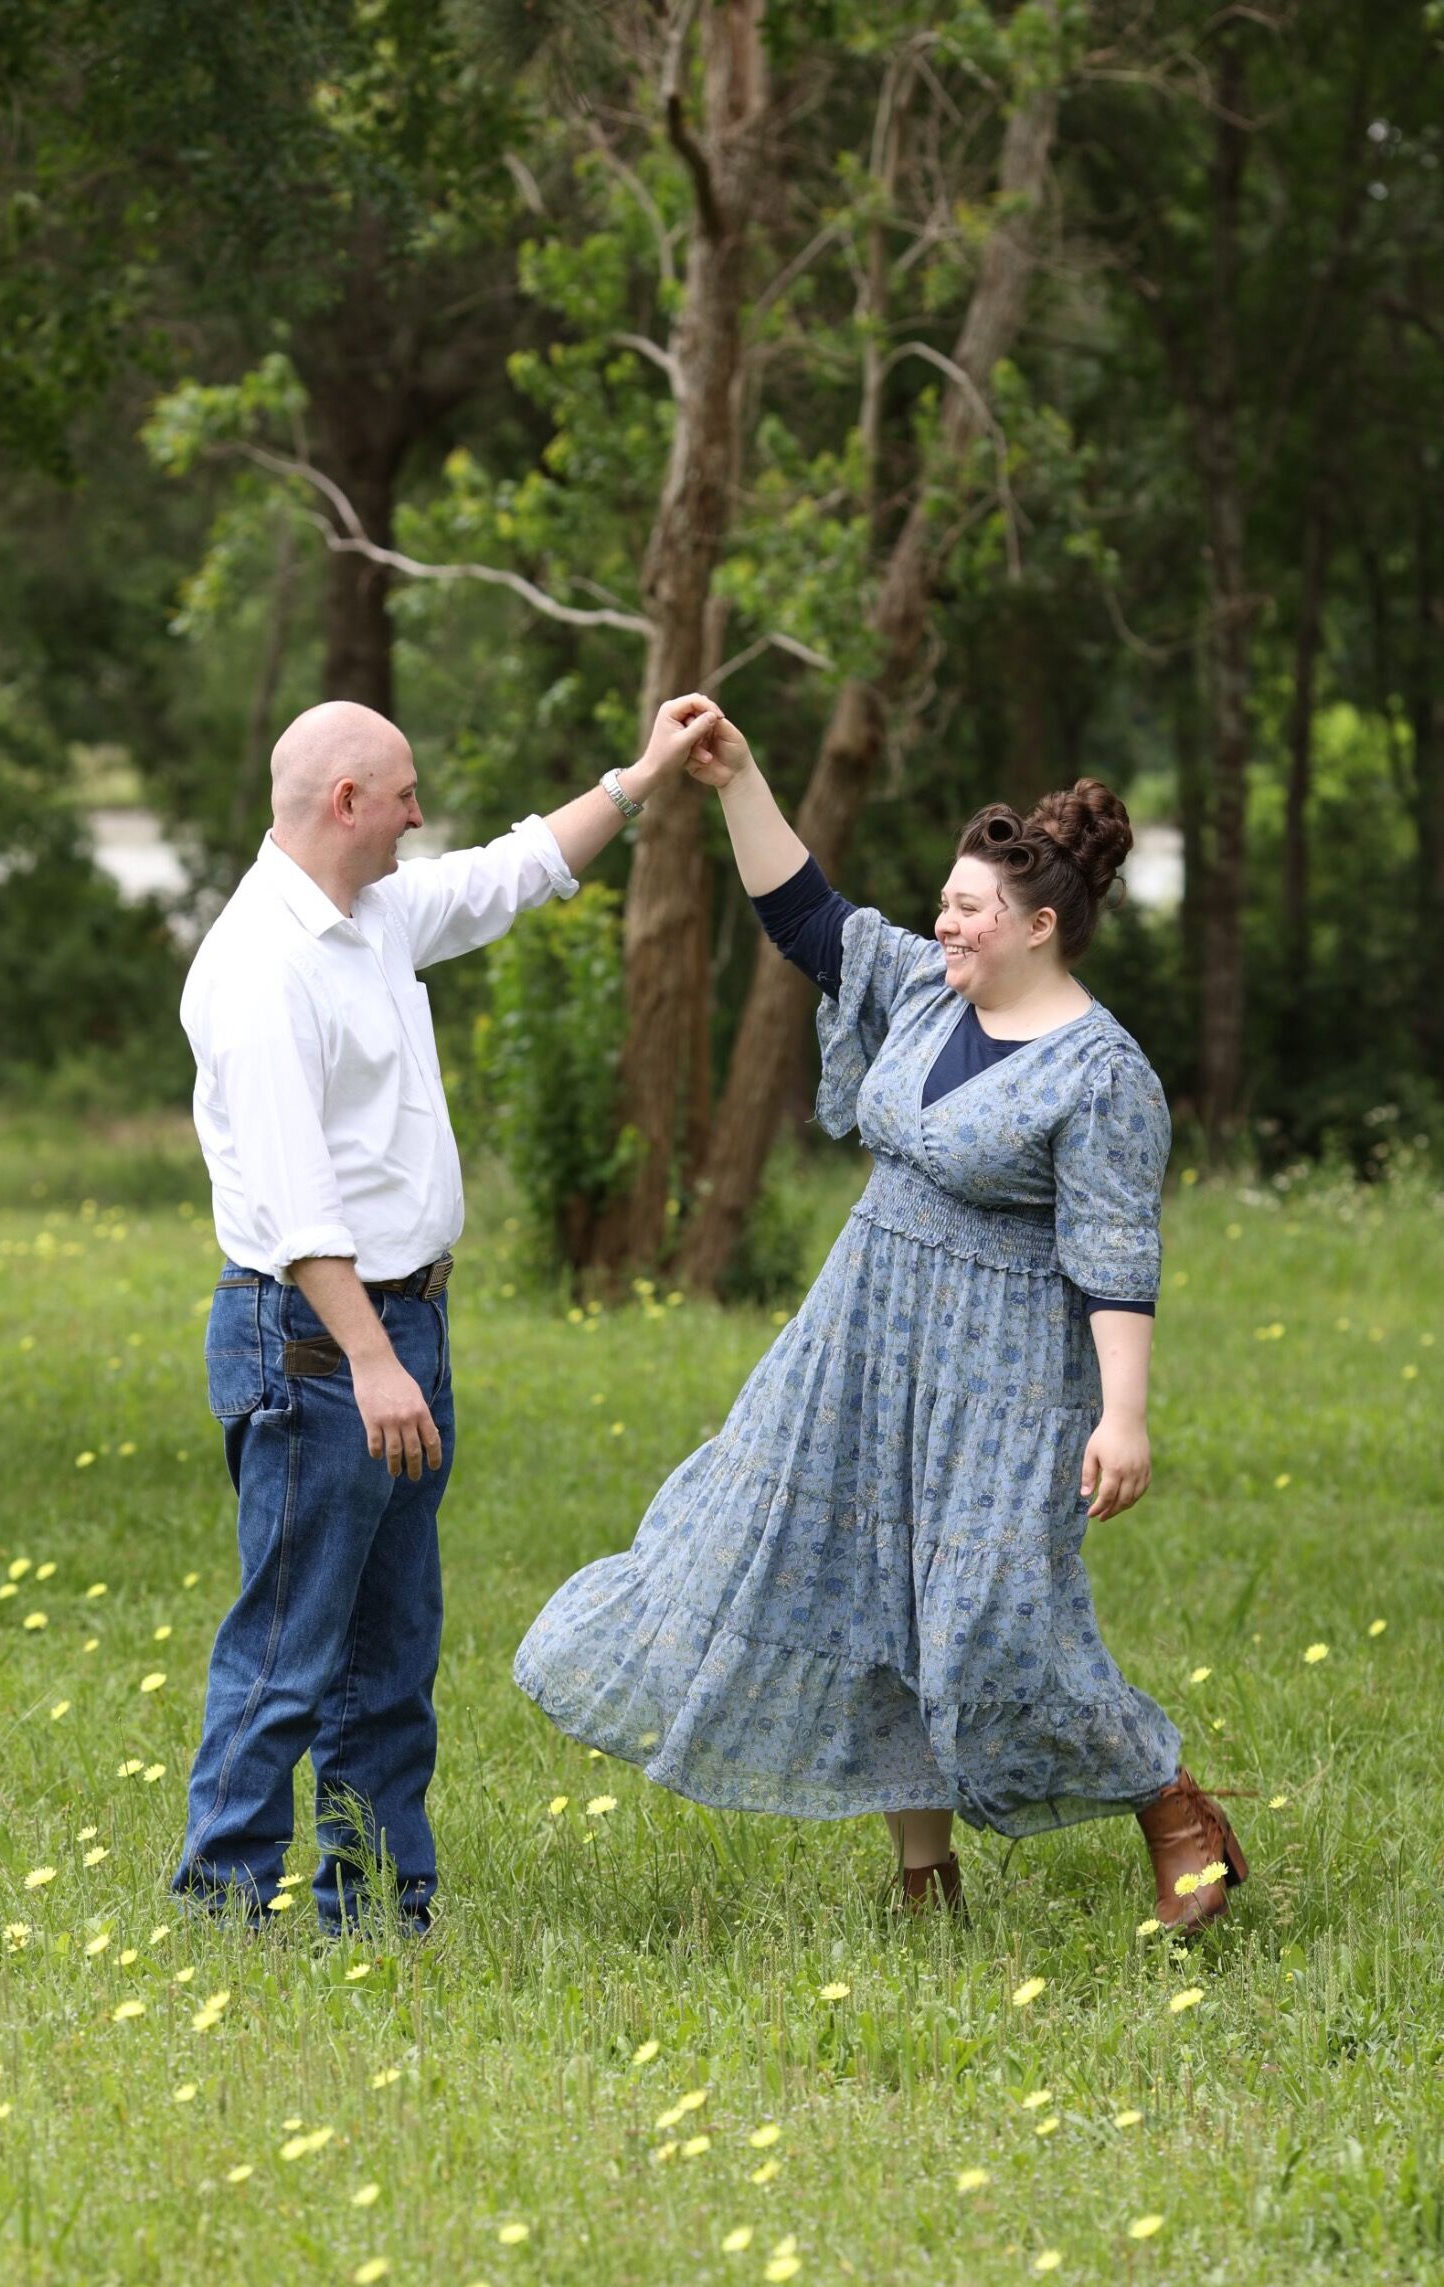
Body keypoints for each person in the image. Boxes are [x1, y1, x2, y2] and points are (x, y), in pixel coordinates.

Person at [515, 710, 1247, 1933]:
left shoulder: (1102, 1074)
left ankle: (1173, 1805)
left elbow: (1115, 1258)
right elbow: (805, 913)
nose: (945, 921)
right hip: (860, 1340)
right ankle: (923, 1879)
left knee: (994, 1623)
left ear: (1039, 925)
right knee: (856, 1591)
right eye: (945, 902)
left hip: (1006, 1373)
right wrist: (740, 778)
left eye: (968, 907)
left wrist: (1123, 1415)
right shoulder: (920, 990)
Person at [173, 692, 720, 1938]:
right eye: (406, 792)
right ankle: (222, 1913)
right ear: (345, 802)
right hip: (317, 1340)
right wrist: (369, 1359)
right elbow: (297, 1204)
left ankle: (374, 1910)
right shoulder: (257, 965)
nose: (423, 812)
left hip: (396, 1331)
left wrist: (639, 778)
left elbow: (511, 872)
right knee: (287, 1649)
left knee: (393, 1651)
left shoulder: (371, 916)